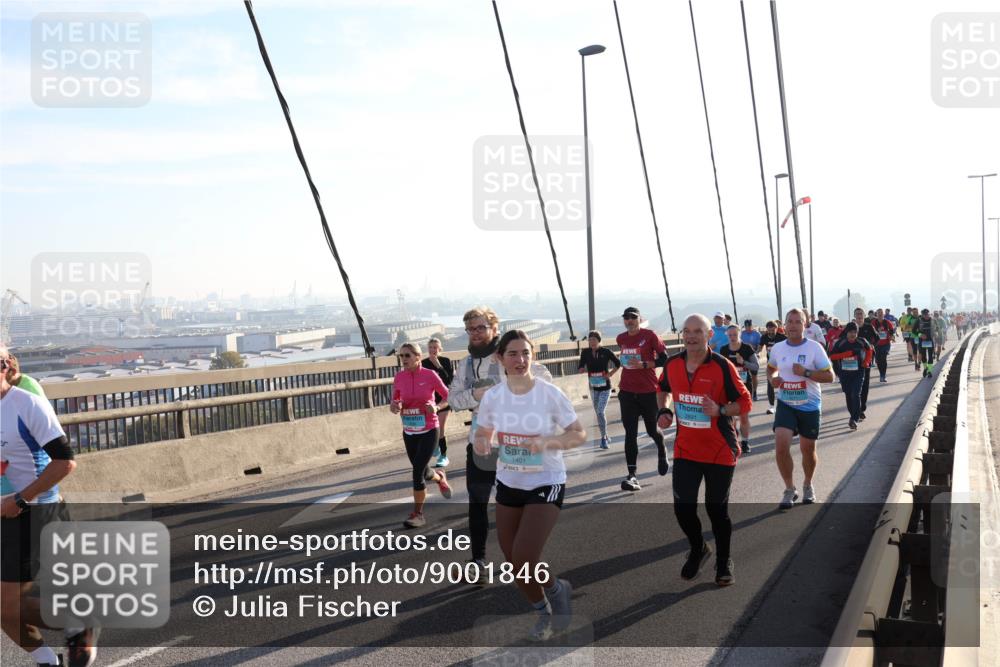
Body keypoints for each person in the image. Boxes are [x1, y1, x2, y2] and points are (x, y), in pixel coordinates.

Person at [474, 330, 585, 641]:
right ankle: (548, 599)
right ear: (500, 358)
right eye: (513, 354)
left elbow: (578, 434)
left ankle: (550, 603)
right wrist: (483, 443)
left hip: (545, 480)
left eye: (526, 353)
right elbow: (483, 432)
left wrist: (548, 441)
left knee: (524, 554)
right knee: (514, 561)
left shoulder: (549, 393)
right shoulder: (494, 396)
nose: (520, 360)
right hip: (509, 481)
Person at [1, 355, 99, 667]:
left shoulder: (26, 404)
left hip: (32, 511)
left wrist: (19, 499)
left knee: (6, 605)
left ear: (4, 366)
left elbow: (65, 461)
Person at [447, 307, 553, 582]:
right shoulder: (466, 365)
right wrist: (475, 394)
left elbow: (545, 381)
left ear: (494, 328)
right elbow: (454, 400)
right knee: (477, 502)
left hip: (514, 443)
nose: (475, 334)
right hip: (482, 445)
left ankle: (525, 559)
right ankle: (478, 561)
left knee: (517, 502)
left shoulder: (510, 355)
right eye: (470, 329)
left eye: (481, 328)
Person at [657, 314, 751, 586]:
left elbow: (744, 403)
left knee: (716, 509)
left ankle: (724, 562)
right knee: (683, 509)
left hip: (720, 450)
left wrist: (720, 409)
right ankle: (699, 548)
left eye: (698, 331)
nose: (691, 336)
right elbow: (661, 389)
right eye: (687, 331)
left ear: (709, 335)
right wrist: (664, 410)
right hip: (686, 450)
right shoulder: (673, 364)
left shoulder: (722, 366)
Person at [768, 309, 835, 509]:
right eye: (790, 321)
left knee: (808, 449)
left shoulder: (814, 348)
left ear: (805, 325)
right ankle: (789, 489)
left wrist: (806, 372)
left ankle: (807, 483)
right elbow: (771, 368)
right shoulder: (778, 348)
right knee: (781, 446)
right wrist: (773, 379)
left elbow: (830, 376)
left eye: (798, 321)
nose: (794, 325)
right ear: (784, 325)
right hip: (786, 404)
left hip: (810, 405)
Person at [391, 342, 452, 528]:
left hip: (429, 429)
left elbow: (448, 395)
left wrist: (436, 407)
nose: (403, 360)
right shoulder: (399, 377)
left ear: (418, 357)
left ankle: (418, 514)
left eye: (407, 356)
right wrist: (395, 406)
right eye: (401, 356)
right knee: (424, 471)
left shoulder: (430, 375)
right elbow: (395, 400)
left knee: (417, 471)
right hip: (409, 431)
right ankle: (440, 477)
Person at [616, 306, 670, 492]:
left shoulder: (650, 335)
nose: (629, 320)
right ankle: (632, 475)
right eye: (626, 318)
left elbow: (665, 359)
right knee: (630, 434)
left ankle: (662, 449)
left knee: (651, 430)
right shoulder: (621, 338)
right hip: (627, 392)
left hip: (648, 391)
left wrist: (645, 364)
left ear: (640, 319)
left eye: (633, 317)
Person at [577, 330, 621, 449]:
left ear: (599, 340)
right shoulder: (585, 352)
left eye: (594, 339)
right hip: (593, 388)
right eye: (590, 340)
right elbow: (581, 364)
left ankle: (603, 439)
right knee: (599, 414)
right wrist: (581, 368)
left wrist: (610, 374)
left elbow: (618, 363)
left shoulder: (606, 352)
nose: (591, 342)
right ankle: (605, 435)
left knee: (600, 412)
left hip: (605, 387)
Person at [722, 326, 758, 453]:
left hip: (744, 387)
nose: (732, 337)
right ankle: (733, 439)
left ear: (739, 335)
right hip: (729, 387)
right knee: (729, 416)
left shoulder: (746, 348)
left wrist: (744, 363)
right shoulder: (724, 350)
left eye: (734, 335)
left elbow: (756, 366)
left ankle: (745, 442)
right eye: (730, 335)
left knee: (743, 417)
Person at [829, 322, 872, 429]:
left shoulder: (862, 341)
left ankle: (854, 419)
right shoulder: (841, 343)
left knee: (856, 394)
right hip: (845, 374)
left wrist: (866, 361)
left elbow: (869, 350)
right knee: (848, 395)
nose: (853, 334)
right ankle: (852, 415)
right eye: (850, 332)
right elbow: (832, 357)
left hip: (859, 372)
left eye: (855, 332)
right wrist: (846, 354)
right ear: (846, 332)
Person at [421, 337, 454, 468]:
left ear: (440, 349)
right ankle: (436, 448)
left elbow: (449, 380)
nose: (433, 350)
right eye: (431, 347)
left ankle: (443, 456)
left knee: (440, 428)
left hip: (444, 400)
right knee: (430, 429)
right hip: (429, 401)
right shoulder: (423, 363)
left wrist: (438, 365)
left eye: (435, 347)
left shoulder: (445, 361)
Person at [759, 321, 787, 415]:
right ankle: (771, 406)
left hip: (783, 364)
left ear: (776, 329)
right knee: (770, 383)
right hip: (771, 364)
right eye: (769, 330)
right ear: (767, 329)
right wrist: (756, 354)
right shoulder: (764, 337)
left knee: (783, 383)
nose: (771, 332)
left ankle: (785, 404)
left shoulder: (782, 337)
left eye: (773, 330)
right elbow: (759, 348)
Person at [740, 320, 762, 401]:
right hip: (744, 356)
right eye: (746, 326)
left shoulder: (757, 334)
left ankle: (755, 392)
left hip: (754, 355)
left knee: (754, 375)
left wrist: (756, 352)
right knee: (743, 375)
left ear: (752, 326)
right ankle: (745, 392)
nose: (748, 328)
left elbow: (760, 346)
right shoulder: (742, 334)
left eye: (749, 326)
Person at [871, 310, 894, 383]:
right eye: (878, 314)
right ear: (876, 315)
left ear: (883, 314)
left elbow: (892, 330)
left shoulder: (887, 322)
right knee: (878, 360)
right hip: (876, 344)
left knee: (883, 359)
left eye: (881, 314)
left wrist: (891, 336)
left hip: (886, 344)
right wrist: (877, 331)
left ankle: (883, 375)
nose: (880, 315)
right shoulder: (873, 322)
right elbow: (871, 332)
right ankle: (881, 373)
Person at [913, 308, 937, 378]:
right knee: (923, 356)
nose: (926, 316)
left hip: (930, 340)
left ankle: (929, 371)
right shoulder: (919, 320)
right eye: (925, 315)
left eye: (927, 314)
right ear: (922, 315)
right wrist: (920, 335)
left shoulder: (933, 320)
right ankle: (925, 368)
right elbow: (913, 330)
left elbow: (937, 328)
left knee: (930, 356)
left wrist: (936, 333)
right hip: (922, 341)